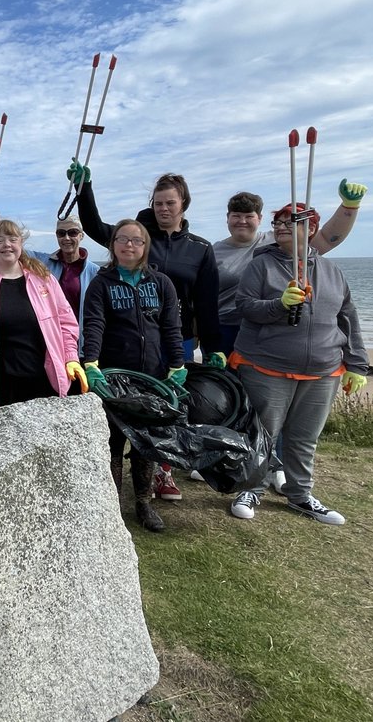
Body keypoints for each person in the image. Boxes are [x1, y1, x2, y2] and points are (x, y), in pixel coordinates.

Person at [74, 167, 223, 501]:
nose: (163, 208)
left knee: (162, 416)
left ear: (184, 204)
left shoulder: (199, 248)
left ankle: (161, 478)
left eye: (170, 202)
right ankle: (111, 494)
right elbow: (97, 227)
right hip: (121, 345)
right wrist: (84, 190)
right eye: (157, 202)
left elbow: (207, 302)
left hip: (175, 339)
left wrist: (214, 346)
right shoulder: (137, 237)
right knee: (118, 424)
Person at [228, 203, 369, 526]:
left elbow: (348, 318)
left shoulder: (331, 272)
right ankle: (252, 489)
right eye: (277, 223)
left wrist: (358, 365)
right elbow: (246, 307)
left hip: (323, 370)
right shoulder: (261, 265)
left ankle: (300, 494)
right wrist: (279, 305)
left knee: (305, 437)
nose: (280, 227)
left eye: (289, 223)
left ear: (312, 229)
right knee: (263, 433)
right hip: (266, 365)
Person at [80, 220, 186, 533]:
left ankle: (143, 502)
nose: (129, 245)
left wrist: (178, 364)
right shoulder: (102, 283)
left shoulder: (162, 282)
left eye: (137, 241)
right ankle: (111, 505)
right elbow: (94, 323)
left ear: (145, 246)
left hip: (151, 376)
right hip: (113, 377)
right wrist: (91, 362)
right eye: (122, 239)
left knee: (144, 443)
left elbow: (170, 327)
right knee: (112, 442)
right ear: (113, 245)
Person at [215, 181, 367, 355]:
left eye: (249, 216)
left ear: (260, 219)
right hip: (225, 327)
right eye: (236, 216)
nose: (242, 221)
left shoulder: (280, 240)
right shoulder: (212, 252)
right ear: (227, 217)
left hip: (270, 328)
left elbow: (326, 237)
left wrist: (349, 207)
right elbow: (199, 296)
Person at [0, 220, 85, 415]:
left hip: (43, 380)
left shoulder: (44, 279)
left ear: (21, 244)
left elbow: (66, 322)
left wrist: (70, 358)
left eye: (12, 239)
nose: (6, 244)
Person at [30, 215, 100, 359]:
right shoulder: (43, 263)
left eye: (72, 232)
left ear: (81, 235)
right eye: (61, 233)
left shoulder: (95, 272)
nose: (66, 238)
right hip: (49, 344)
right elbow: (15, 248)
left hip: (80, 347)